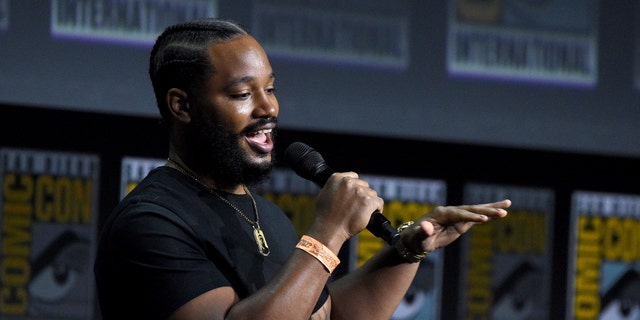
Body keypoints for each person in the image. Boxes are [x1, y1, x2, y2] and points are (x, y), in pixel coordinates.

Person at [93, 17, 511, 320]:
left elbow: (330, 315)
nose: (269, 108)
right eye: (243, 93)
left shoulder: (264, 214)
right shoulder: (151, 223)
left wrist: (407, 250)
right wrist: (328, 233)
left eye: (270, 89)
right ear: (181, 105)